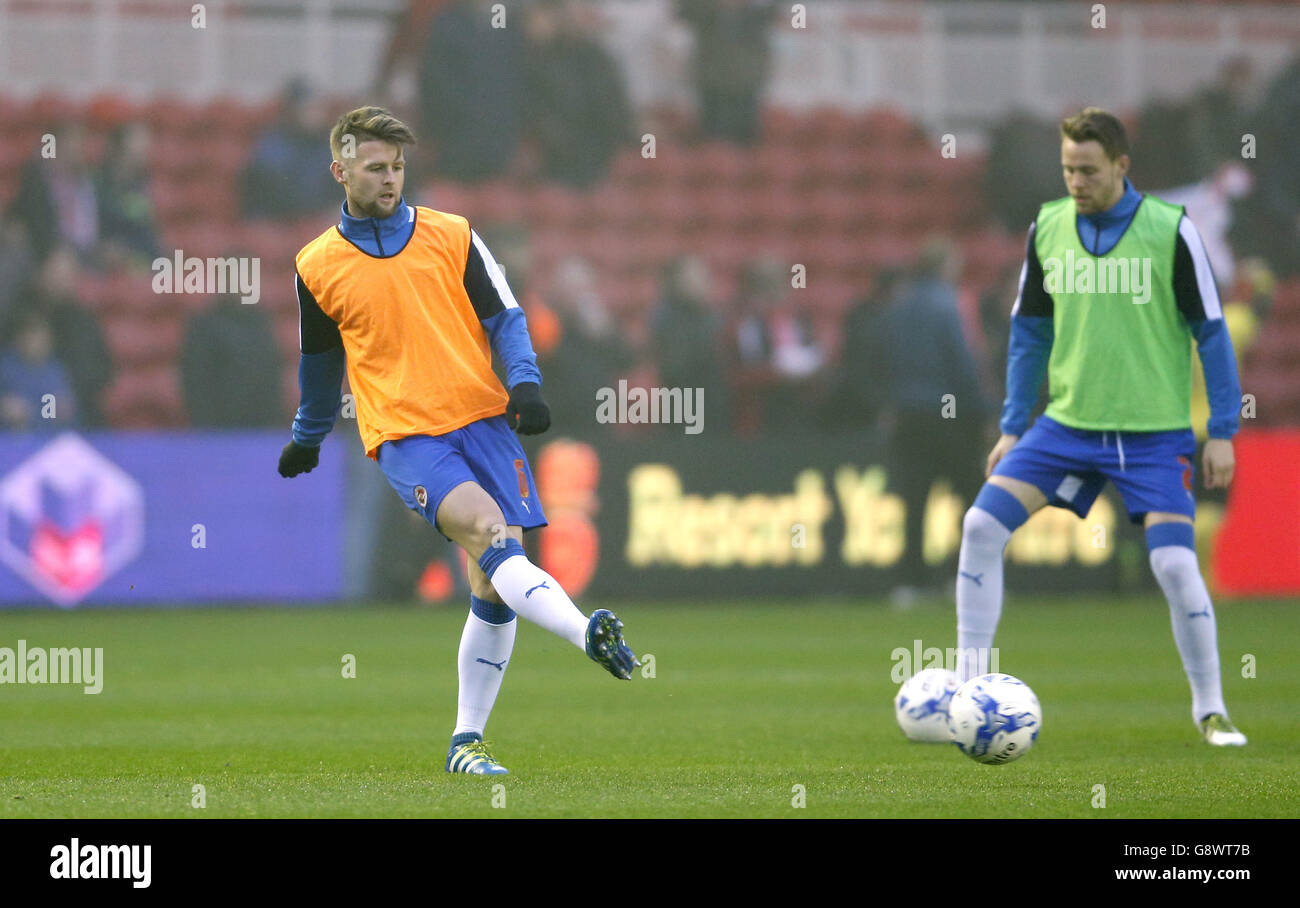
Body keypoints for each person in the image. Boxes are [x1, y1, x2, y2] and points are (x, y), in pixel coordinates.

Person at [276, 107, 638, 776]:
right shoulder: (317, 265)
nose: (390, 180)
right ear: (341, 170)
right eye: (376, 167)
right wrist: (309, 436)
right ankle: (586, 632)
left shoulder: (453, 236)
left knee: (492, 583)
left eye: (398, 167)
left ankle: (465, 743)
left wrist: (524, 385)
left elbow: (505, 315)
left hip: (484, 422)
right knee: (489, 531)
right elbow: (321, 363)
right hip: (407, 435)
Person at [956, 108, 1246, 747]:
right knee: (980, 527)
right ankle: (969, 692)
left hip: (1152, 436)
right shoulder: (1049, 227)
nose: (1076, 182)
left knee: (1174, 565)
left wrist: (1222, 429)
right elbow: (1028, 331)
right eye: (1067, 170)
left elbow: (1212, 332)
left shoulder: (1171, 230)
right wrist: (1012, 424)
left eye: (1088, 170)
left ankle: (1211, 709)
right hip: (1066, 428)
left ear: (1121, 166)